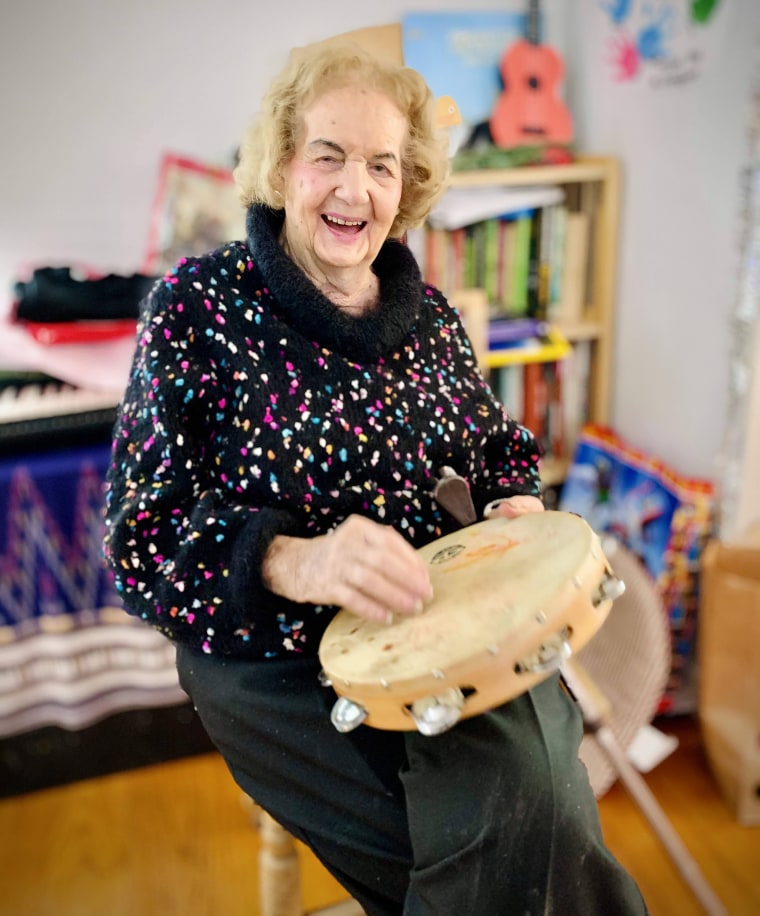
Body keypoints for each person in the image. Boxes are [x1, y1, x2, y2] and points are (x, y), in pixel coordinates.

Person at [103, 40, 647, 916]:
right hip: (267, 654)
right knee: (527, 843)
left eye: (382, 165)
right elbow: (141, 542)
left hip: (435, 621)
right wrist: (296, 561)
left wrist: (513, 500)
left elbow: (492, 443)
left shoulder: (427, 316)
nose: (355, 189)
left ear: (407, 188)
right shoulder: (197, 308)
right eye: (329, 156)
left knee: (536, 815)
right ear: (283, 166)